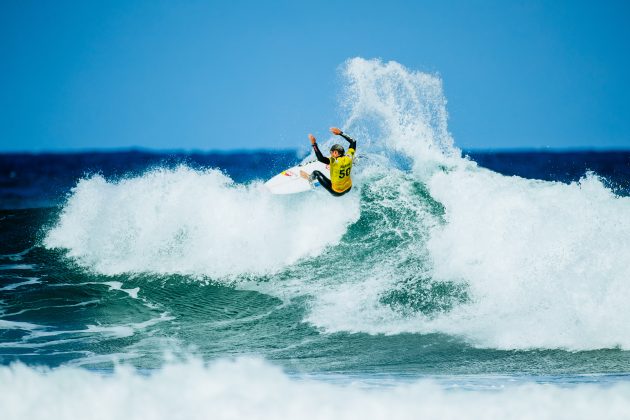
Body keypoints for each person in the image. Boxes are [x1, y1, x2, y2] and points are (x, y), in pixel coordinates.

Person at [300, 127, 357, 196]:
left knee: (316, 173)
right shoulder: (349, 157)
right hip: (348, 188)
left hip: (337, 192)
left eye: (331, 153)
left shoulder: (334, 161)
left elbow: (320, 158)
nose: (330, 155)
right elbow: (353, 141)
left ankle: (309, 178)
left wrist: (314, 144)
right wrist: (340, 133)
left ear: (335, 153)